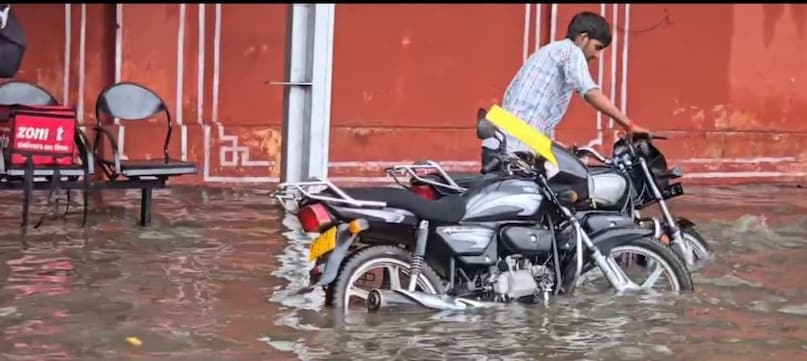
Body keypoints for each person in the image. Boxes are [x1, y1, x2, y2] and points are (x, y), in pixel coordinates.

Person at [481, 11, 650, 167]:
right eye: (597, 47)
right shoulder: (571, 52)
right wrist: (629, 125)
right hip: (514, 148)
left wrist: (559, 150)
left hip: (499, 143)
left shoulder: (547, 52)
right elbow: (590, 92)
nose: (597, 56)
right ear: (583, 38)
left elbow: (521, 107)